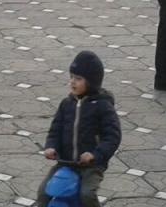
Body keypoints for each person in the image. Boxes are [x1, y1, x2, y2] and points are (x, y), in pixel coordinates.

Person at [37, 51, 121, 207]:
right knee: (43, 191)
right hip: (66, 162)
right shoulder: (66, 104)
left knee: (87, 194)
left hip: (91, 165)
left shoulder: (103, 106)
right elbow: (55, 130)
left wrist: (95, 155)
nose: (73, 82)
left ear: (92, 82)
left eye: (78, 78)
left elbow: (112, 136)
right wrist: (51, 147)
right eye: (71, 77)